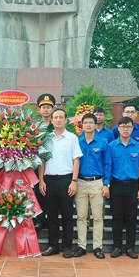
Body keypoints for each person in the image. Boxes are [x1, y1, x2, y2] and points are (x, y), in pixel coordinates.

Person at [39, 108, 82, 258]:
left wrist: (74, 181)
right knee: (51, 216)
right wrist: (41, 181)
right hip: (49, 180)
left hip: (66, 180)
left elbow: (76, 160)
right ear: (51, 120)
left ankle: (67, 246)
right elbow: (42, 161)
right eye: (55, 117)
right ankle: (53, 246)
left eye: (61, 117)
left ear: (65, 120)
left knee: (67, 215)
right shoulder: (46, 138)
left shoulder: (72, 138)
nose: (58, 120)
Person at [74, 113, 112, 259]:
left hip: (97, 183)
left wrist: (106, 184)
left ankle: (97, 247)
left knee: (98, 217)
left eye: (91, 122)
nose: (88, 125)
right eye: (86, 123)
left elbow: (108, 163)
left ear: (96, 125)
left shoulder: (103, 143)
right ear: (82, 125)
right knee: (81, 216)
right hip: (81, 182)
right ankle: (81, 246)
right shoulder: (77, 142)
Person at [108, 116, 139, 259]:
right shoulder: (111, 146)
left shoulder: (138, 147)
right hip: (116, 184)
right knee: (116, 217)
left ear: (132, 129)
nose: (125, 129)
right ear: (118, 128)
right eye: (123, 126)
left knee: (131, 218)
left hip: (133, 185)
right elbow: (108, 166)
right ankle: (117, 246)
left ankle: (130, 247)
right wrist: (107, 185)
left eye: (128, 127)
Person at [34, 93, 56, 230]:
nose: (46, 109)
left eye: (48, 107)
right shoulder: (35, 127)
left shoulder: (57, 125)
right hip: (38, 166)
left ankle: (52, 219)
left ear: (52, 109)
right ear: (39, 110)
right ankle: (40, 220)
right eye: (43, 107)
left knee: (53, 194)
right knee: (39, 193)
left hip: (55, 166)